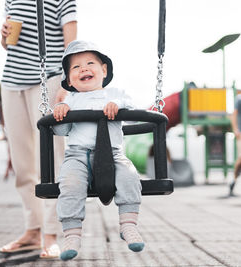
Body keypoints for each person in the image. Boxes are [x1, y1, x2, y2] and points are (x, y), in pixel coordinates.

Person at [0, 0, 77, 259]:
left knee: (51, 160)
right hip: (11, 81)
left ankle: (51, 234)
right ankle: (32, 230)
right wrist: (3, 37)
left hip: (48, 77)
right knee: (22, 163)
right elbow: (9, 44)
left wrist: (67, 83)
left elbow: (72, 42)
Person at [53, 40, 144, 261]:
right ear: (69, 80)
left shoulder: (116, 93)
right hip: (78, 155)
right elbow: (61, 130)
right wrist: (60, 111)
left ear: (103, 70)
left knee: (130, 178)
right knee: (70, 184)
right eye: (76, 67)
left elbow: (130, 108)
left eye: (90, 63)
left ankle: (128, 225)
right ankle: (72, 233)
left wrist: (117, 105)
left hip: (113, 154)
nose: (83, 68)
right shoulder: (70, 100)